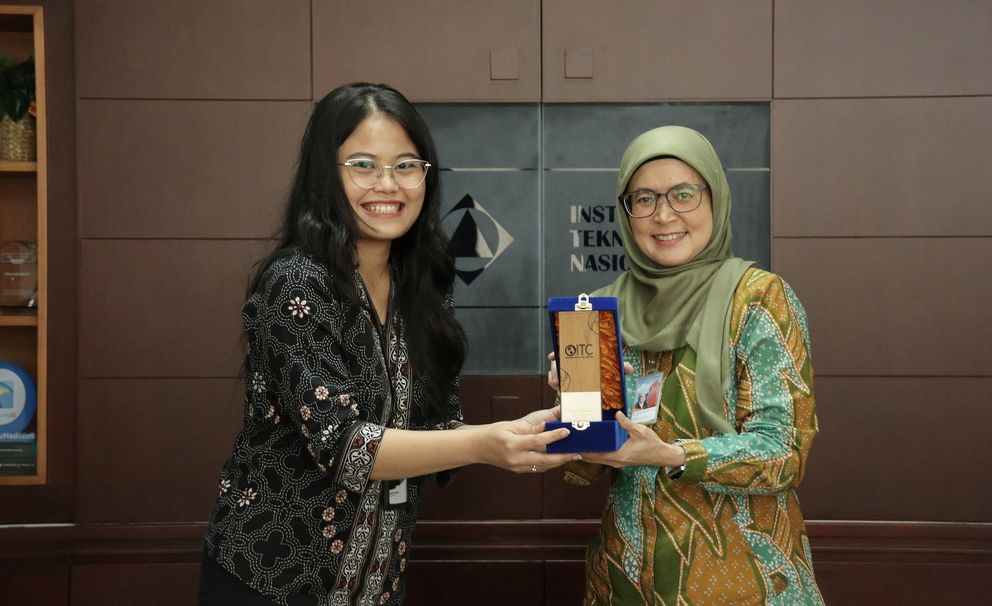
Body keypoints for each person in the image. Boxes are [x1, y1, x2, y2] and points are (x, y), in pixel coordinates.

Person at [199, 82, 578, 606]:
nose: (387, 184)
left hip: (377, 584)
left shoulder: (423, 284)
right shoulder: (297, 282)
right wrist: (485, 444)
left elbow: (437, 426)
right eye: (363, 165)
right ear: (325, 174)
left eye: (406, 166)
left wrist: (526, 432)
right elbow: (346, 447)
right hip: (271, 581)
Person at [558, 125, 825, 605]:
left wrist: (672, 455)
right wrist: (575, 413)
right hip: (625, 579)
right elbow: (587, 465)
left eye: (683, 194)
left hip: (741, 582)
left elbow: (784, 452)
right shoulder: (596, 312)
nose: (664, 215)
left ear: (715, 198)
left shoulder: (759, 300)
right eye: (644, 199)